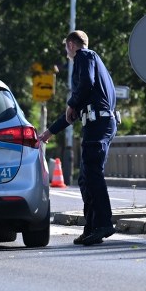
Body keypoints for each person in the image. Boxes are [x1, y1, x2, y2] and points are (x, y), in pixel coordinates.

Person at [38, 31, 117, 245]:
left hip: (98, 123)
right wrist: (49, 132)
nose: (66, 53)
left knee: (93, 173)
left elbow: (84, 86)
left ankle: (103, 223)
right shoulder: (92, 64)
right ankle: (91, 227)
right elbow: (72, 114)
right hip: (96, 122)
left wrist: (71, 102)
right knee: (85, 178)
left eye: (66, 48)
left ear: (72, 45)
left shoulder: (85, 56)